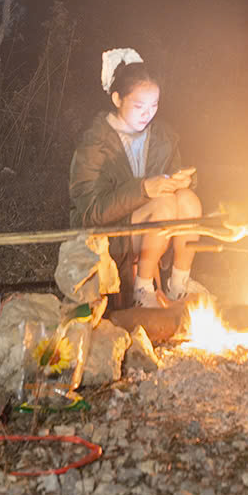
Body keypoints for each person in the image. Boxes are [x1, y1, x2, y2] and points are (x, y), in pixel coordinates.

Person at [67, 48, 209, 308]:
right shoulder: (95, 143)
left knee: (188, 200)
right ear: (117, 99)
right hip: (112, 236)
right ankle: (143, 290)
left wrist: (181, 181)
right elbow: (89, 212)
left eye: (154, 105)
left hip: (155, 233)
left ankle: (179, 283)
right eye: (139, 105)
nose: (148, 113)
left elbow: (174, 182)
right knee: (164, 203)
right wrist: (144, 189)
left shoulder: (162, 136)